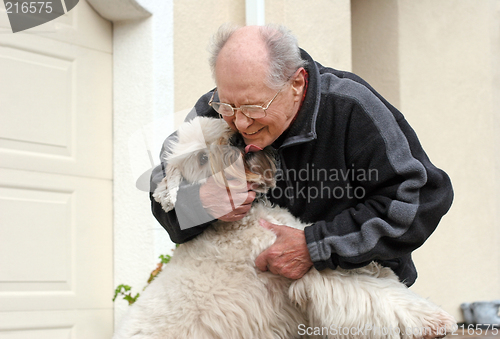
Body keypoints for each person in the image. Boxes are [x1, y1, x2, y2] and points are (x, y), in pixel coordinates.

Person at [150, 24, 453, 286]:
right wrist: (200, 203)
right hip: (261, 305)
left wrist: (316, 246)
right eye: (228, 107)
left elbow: (420, 198)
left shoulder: (352, 107)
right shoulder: (214, 109)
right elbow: (162, 188)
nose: (240, 123)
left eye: (254, 108)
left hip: (360, 298)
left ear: (296, 83)